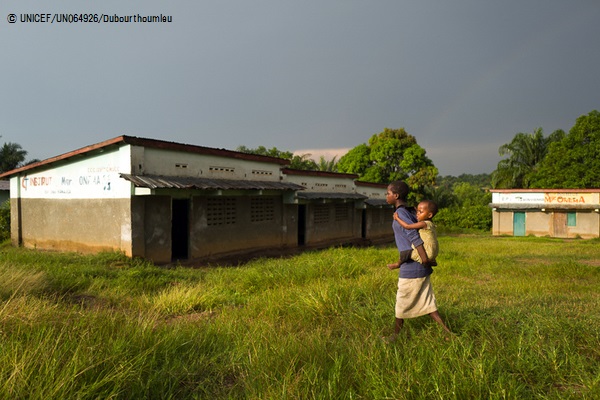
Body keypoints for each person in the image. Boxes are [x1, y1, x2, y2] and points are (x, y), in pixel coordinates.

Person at [384, 181, 451, 342]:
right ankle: (447, 334)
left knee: (401, 303)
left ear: (396, 195)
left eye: (388, 193)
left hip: (412, 268)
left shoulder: (402, 214)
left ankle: (395, 336)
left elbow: (414, 237)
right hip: (417, 266)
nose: (386, 196)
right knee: (428, 304)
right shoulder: (408, 211)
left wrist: (425, 259)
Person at [393, 199, 439, 266]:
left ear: (429, 215)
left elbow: (407, 226)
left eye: (420, 212)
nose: (417, 214)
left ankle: (397, 264)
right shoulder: (431, 224)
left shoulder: (423, 224)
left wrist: (397, 218)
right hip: (434, 251)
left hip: (427, 251)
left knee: (405, 253)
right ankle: (431, 261)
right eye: (417, 211)